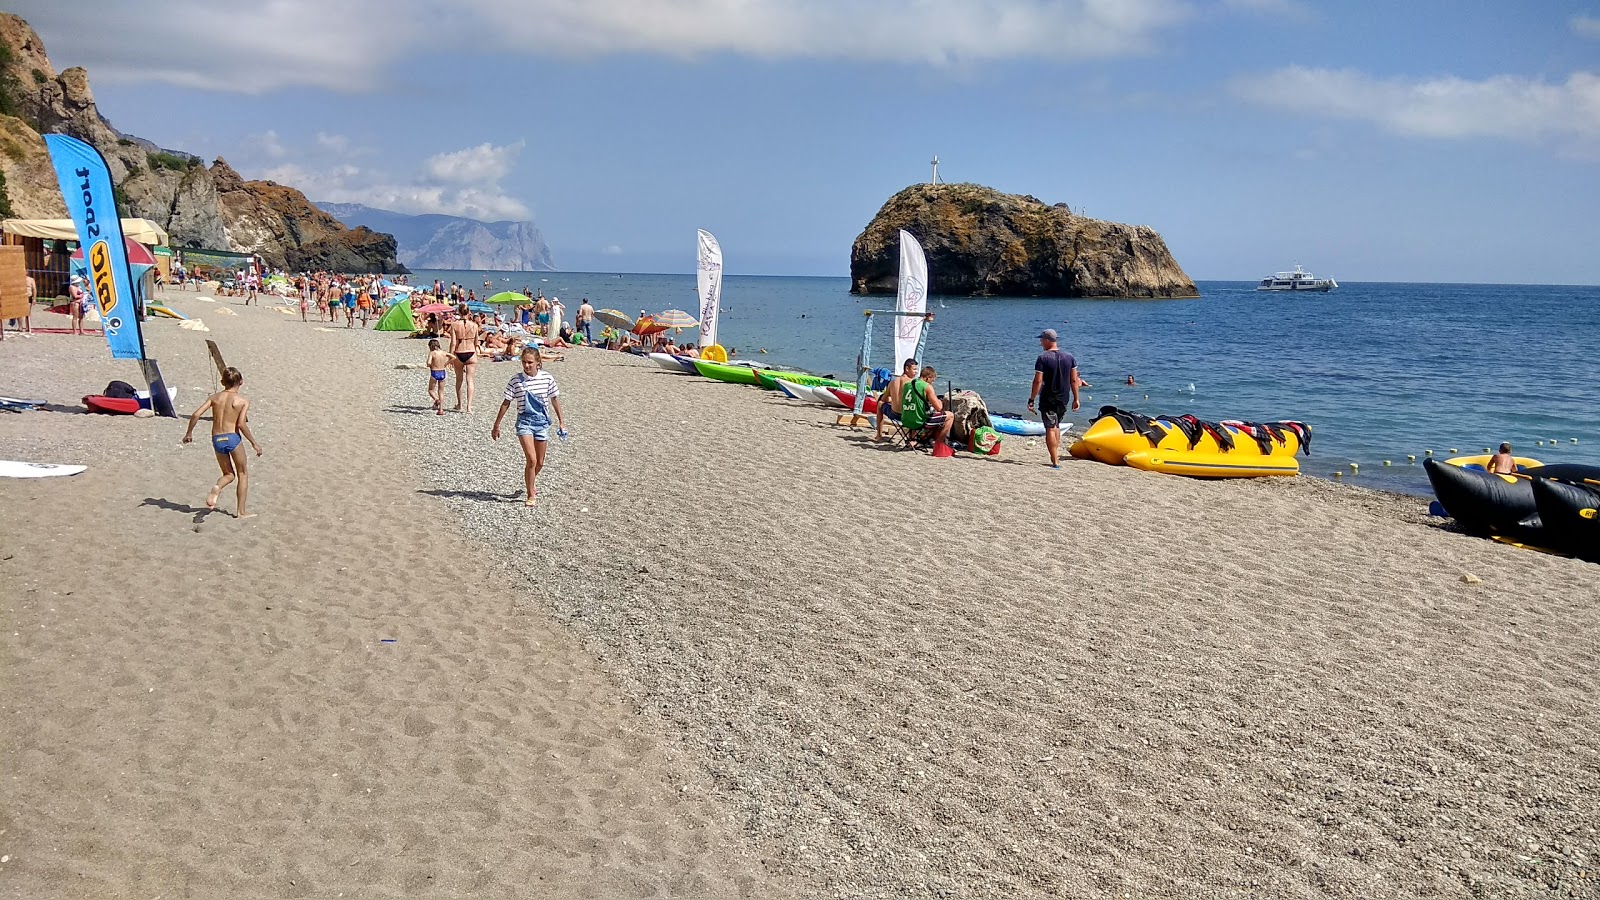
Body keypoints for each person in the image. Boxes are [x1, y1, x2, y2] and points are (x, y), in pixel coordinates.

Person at [491, 347, 568, 508]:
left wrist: (561, 421)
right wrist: (497, 424)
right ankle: (530, 493)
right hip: (524, 422)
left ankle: (530, 479)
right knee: (531, 460)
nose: (526, 366)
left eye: (530, 363)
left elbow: (555, 400)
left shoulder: (547, 378)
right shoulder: (516, 380)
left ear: (538, 362)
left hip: (542, 423)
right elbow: (506, 403)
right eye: (524, 362)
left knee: (539, 462)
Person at [181, 366, 263, 518]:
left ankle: (217, 487)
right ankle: (241, 512)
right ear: (241, 382)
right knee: (242, 473)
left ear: (222, 382)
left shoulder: (214, 398)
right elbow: (241, 424)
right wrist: (254, 443)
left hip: (217, 439)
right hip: (232, 437)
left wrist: (189, 433)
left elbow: (196, 414)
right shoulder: (242, 401)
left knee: (228, 474)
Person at [1027, 328, 1079, 469]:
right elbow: (1074, 380)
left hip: (1048, 397)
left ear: (1048, 341)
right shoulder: (1070, 357)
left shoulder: (1043, 358)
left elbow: (1038, 381)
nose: (1040, 343)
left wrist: (1031, 399)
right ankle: (1055, 458)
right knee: (1056, 426)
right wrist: (1076, 398)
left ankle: (1055, 461)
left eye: (1042, 340)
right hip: (1064, 398)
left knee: (1050, 427)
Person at [901, 365, 953, 453]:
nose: (932, 383)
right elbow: (939, 408)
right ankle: (939, 443)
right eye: (932, 380)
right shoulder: (927, 387)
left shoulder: (907, 384)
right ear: (928, 378)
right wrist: (940, 401)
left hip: (905, 420)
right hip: (919, 422)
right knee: (950, 415)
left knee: (917, 411)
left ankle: (913, 439)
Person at [875, 358, 919, 442]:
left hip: (894, 414)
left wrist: (894, 399)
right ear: (907, 369)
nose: (916, 372)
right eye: (914, 369)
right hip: (907, 416)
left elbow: (883, 400)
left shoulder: (892, 382)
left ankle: (879, 435)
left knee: (880, 402)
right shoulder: (912, 383)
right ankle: (911, 438)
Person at [448, 304, 481, 413]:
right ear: (469, 312)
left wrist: (450, 356)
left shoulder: (454, 325)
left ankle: (460, 404)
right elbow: (476, 342)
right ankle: (469, 407)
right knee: (470, 380)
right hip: (471, 352)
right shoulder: (474, 325)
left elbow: (453, 343)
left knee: (459, 380)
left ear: (459, 312)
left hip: (459, 352)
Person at [426, 338, 451, 415]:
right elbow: (454, 357)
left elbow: (429, 362)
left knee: (430, 390)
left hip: (435, 372)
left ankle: (436, 399)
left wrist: (429, 364)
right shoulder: (443, 353)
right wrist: (446, 363)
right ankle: (441, 410)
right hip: (442, 372)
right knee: (441, 392)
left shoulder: (432, 353)